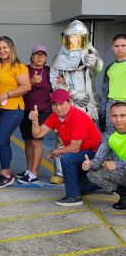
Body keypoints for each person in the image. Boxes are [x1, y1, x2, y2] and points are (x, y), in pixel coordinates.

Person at [49, 20, 103, 184]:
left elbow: (97, 69)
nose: (75, 43)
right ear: (65, 39)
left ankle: (86, 171)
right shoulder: (58, 59)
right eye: (72, 39)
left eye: (78, 39)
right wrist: (72, 93)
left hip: (88, 105)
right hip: (67, 104)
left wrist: (93, 62)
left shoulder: (90, 53)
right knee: (63, 138)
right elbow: (54, 82)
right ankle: (60, 172)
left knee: (89, 140)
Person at [30, 89, 101, 206]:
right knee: (81, 188)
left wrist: (54, 151)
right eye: (55, 104)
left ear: (69, 103)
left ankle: (74, 197)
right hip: (82, 155)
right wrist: (34, 121)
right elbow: (37, 134)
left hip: (96, 154)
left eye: (61, 104)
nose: (58, 108)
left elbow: (74, 149)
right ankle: (108, 183)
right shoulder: (55, 116)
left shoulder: (78, 117)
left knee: (67, 158)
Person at [0, 36, 31, 188]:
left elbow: (26, 86)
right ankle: (6, 172)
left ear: (11, 48)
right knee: (4, 140)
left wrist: (7, 94)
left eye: (4, 47)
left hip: (13, 109)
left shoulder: (18, 66)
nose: (2, 51)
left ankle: (7, 174)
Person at [16, 45, 52, 184]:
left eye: (42, 55)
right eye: (37, 54)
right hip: (25, 110)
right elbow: (20, 88)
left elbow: (56, 87)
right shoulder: (25, 69)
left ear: (46, 58)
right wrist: (31, 82)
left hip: (42, 111)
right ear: (32, 56)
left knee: (37, 141)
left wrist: (61, 80)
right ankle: (29, 170)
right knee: (28, 141)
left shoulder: (49, 71)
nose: (39, 57)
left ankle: (34, 173)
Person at [84, 102, 126, 210]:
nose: (118, 120)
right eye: (115, 116)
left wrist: (117, 164)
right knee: (93, 174)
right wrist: (89, 164)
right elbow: (98, 160)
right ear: (110, 117)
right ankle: (124, 194)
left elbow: (118, 164)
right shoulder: (108, 135)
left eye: (123, 115)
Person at [99, 34, 126, 132]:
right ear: (112, 47)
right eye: (117, 46)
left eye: (123, 45)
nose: (120, 49)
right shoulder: (109, 68)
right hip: (110, 105)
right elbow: (105, 91)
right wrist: (102, 112)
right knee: (110, 135)